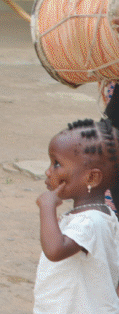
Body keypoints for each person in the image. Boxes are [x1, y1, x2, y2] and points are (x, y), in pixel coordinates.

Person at [34, 118, 119, 313]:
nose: (48, 171)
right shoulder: (102, 215)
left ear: (91, 178)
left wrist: (47, 207)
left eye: (57, 164)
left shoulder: (89, 221)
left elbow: (55, 250)